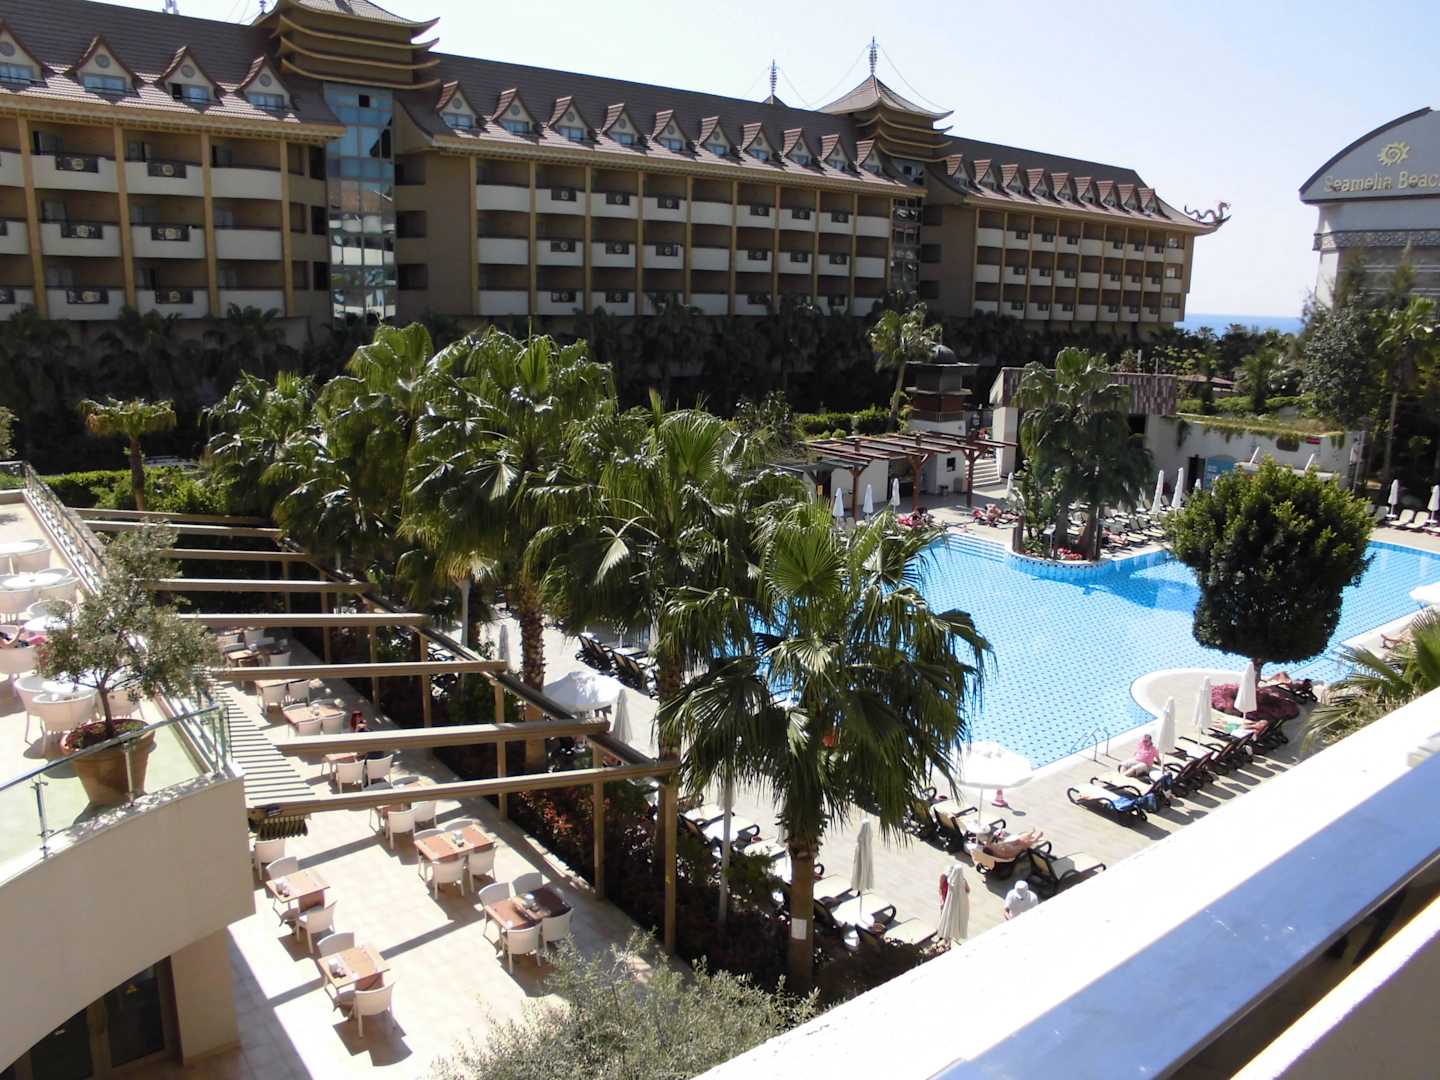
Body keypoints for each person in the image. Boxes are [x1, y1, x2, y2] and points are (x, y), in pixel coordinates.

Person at [979, 827, 1044, 861]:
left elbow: (1002, 844)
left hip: (1009, 848)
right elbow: (1008, 852)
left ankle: (1032, 834)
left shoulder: (993, 850)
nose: (990, 844)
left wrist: (1004, 842)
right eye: (989, 845)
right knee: (1022, 844)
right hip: (1012, 852)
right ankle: (1036, 839)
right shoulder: (998, 852)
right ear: (990, 849)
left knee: (1018, 840)